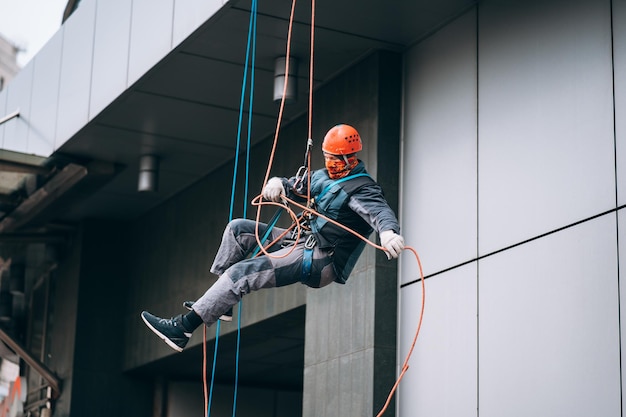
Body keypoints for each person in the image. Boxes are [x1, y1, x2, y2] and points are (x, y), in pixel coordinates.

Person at [141, 124, 405, 352]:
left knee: (243, 273)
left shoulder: (363, 188)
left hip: (321, 259)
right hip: (303, 240)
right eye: (327, 158)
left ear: (352, 158)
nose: (331, 165)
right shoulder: (323, 177)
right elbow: (295, 185)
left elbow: (379, 211)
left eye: (337, 160)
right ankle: (222, 304)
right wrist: (279, 183)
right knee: (238, 230)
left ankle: (183, 329)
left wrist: (388, 231)